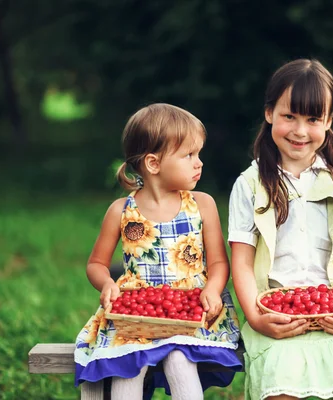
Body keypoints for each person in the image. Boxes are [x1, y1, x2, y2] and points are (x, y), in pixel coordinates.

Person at [229, 59, 333, 400]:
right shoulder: (249, 185)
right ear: (269, 114)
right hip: (275, 316)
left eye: (312, 119)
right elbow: (242, 263)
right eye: (289, 116)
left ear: (328, 122)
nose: (300, 131)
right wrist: (257, 319)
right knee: (280, 383)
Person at [75, 103, 241, 400]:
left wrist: (214, 290)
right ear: (153, 163)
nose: (199, 162)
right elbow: (96, 264)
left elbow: (218, 263)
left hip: (192, 313)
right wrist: (107, 284)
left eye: (198, 154)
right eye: (189, 155)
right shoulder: (121, 211)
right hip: (136, 316)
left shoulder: (202, 205)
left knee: (180, 361)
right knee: (129, 367)